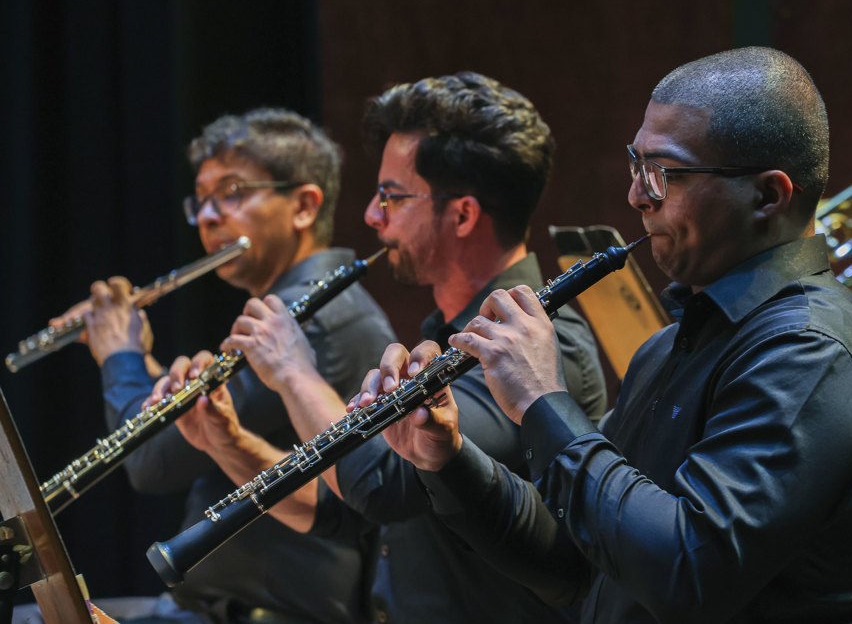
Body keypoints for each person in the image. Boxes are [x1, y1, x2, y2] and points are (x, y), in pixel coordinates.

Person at [358, 48, 852, 623]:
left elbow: (685, 573)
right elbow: (580, 560)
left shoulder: (813, 354)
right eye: (636, 165)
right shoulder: (668, 347)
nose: (637, 195)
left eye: (664, 174)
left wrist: (544, 402)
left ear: (768, 196)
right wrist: (448, 460)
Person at [157, 73, 607, 624]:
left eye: (392, 196)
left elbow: (379, 488)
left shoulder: (537, 344)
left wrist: (293, 371)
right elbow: (345, 514)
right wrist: (228, 441)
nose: (372, 215)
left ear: (463, 214)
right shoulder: (442, 334)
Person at [35, 109, 396, 624]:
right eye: (201, 199)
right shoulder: (292, 308)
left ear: (302, 205)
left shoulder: (308, 321)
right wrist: (140, 356)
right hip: (210, 606)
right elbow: (196, 420)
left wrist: (121, 353)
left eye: (231, 192)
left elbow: (152, 461)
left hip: (271, 612)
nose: (208, 215)